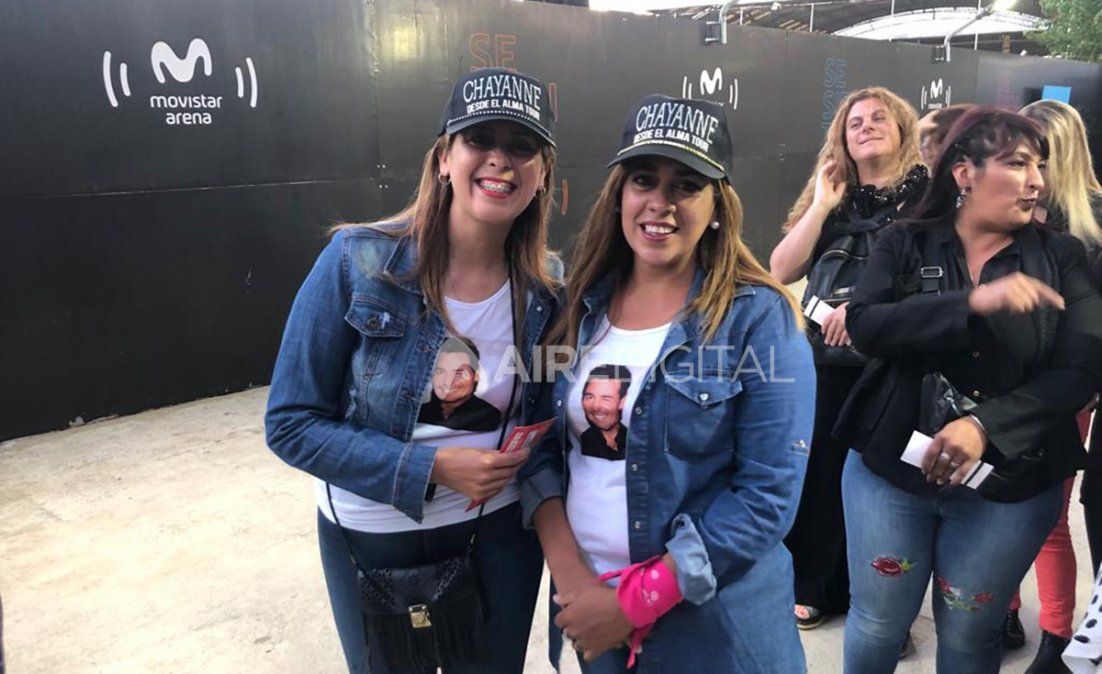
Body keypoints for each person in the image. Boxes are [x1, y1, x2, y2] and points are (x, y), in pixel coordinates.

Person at [265, 67, 560, 674]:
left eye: (522, 146)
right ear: (444, 159)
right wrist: (431, 468)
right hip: (373, 534)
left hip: (500, 534)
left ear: (542, 176)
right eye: (479, 139)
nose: (500, 159)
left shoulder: (547, 289)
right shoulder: (357, 259)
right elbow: (291, 423)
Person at [520, 94, 816, 673]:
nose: (660, 202)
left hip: (713, 632)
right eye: (643, 180)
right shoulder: (575, 309)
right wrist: (574, 582)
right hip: (593, 618)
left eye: (686, 185)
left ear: (717, 206)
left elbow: (767, 496)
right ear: (619, 195)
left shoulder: (759, 319)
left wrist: (635, 602)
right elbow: (541, 451)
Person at [835, 107, 1102, 674]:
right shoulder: (904, 242)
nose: (1037, 181)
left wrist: (984, 427)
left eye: (1040, 166)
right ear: (964, 173)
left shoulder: (1061, 257)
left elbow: (1082, 369)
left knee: (970, 631)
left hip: (1008, 489)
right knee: (879, 623)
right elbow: (865, 324)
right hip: (890, 477)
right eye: (1018, 164)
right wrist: (971, 304)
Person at [769, 86, 926, 631]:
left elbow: (941, 280)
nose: (866, 127)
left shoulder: (928, 199)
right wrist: (820, 204)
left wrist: (863, 310)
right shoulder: (833, 197)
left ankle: (882, 605)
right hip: (827, 364)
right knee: (820, 477)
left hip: (896, 364)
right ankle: (814, 584)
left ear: (903, 129)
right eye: (855, 122)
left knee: (886, 489)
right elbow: (781, 269)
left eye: (879, 118)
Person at [1003, 98, 1102, 674]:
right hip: (996, 384)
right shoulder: (1003, 212)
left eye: (1035, 153)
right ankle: (1006, 611)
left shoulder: (1091, 223)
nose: (1026, 167)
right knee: (993, 505)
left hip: (1065, 391)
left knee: (1048, 517)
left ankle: (1057, 635)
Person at [417, 337, 502, 432]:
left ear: (475, 375)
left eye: (458, 373)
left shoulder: (488, 416)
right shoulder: (415, 414)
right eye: (440, 372)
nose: (448, 381)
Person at [577, 364, 631, 460]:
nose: (596, 406)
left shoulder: (633, 438)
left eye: (606, 399)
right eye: (590, 397)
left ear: (622, 401)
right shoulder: (584, 440)